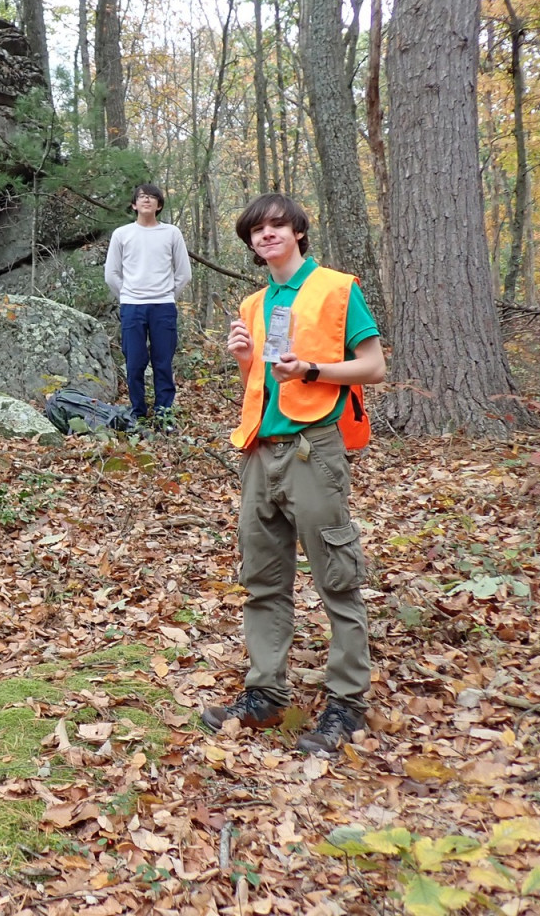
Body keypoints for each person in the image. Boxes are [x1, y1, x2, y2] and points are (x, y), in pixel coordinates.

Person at [203, 193, 386, 756]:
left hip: (314, 449)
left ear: (299, 232)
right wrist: (244, 358)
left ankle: (347, 706)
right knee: (262, 578)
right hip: (261, 451)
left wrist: (311, 369)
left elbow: (374, 367)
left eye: (277, 225)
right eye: (256, 230)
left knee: (336, 577)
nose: (267, 235)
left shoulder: (337, 289)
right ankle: (265, 694)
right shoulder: (254, 303)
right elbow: (260, 386)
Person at [104, 183, 191, 425]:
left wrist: (168, 295)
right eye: (142, 197)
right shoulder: (122, 234)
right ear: (134, 204)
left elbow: (184, 273)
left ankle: (164, 414)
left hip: (163, 306)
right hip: (132, 307)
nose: (147, 200)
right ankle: (138, 413)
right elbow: (111, 274)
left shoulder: (171, 233)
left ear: (159, 205)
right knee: (134, 362)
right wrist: (127, 296)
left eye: (152, 197)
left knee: (163, 362)